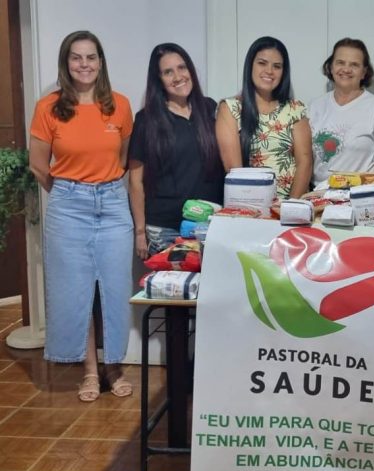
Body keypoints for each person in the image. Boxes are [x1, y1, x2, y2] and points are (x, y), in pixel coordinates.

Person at [28, 31, 134, 402]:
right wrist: (70, 194)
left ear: (101, 62)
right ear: (66, 62)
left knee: (115, 288)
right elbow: (38, 165)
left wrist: (101, 188)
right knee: (76, 290)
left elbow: (123, 158)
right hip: (68, 207)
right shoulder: (49, 107)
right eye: (76, 57)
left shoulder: (119, 105)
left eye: (91, 57)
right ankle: (89, 370)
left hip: (113, 204)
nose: (84, 64)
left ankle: (113, 366)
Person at [128, 43, 225, 258]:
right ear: (159, 80)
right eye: (168, 72)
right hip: (165, 230)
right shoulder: (146, 120)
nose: (178, 76)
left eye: (182, 68)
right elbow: (135, 181)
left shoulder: (210, 109)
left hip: (209, 225)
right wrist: (140, 232)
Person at [216, 36, 312, 199]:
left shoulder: (295, 109)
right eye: (262, 63)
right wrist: (256, 209)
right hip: (248, 203)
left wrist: (290, 206)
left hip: (291, 204)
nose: (269, 71)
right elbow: (234, 171)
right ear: (250, 66)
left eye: (277, 66)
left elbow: (305, 162)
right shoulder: (231, 108)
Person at [309, 38, 374, 189]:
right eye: (340, 62)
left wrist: (372, 199)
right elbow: (304, 160)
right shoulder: (315, 106)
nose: (346, 69)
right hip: (318, 195)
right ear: (331, 67)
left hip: (360, 196)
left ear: (364, 72)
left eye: (354, 65)